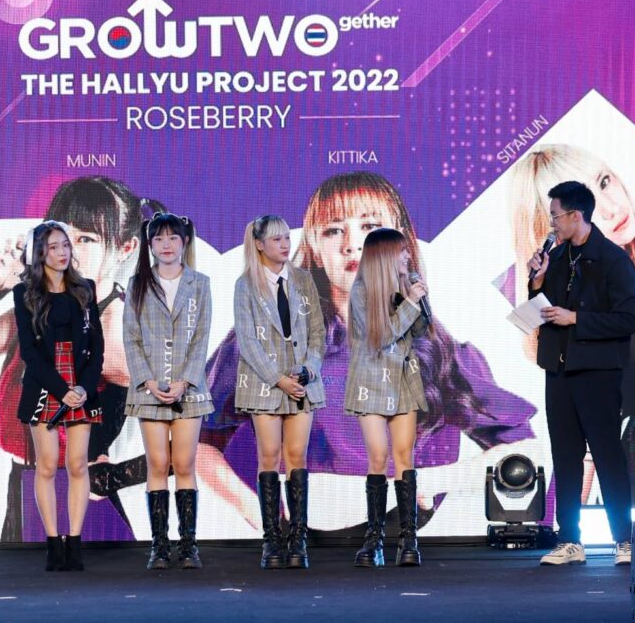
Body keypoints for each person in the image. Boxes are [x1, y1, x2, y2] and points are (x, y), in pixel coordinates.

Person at [205, 172, 535, 538]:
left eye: (370, 227)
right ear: (314, 247)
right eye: (334, 230)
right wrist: (259, 513)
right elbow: (198, 439)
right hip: (296, 539)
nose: (352, 245)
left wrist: (430, 482)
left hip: (401, 540)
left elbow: (523, 447)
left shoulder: (432, 345)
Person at [0, 177, 159, 540]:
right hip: (24, 490)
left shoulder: (115, 329)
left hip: (74, 501)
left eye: (86, 239)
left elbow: (186, 443)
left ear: (125, 249)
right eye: (61, 235)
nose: (67, 251)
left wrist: (112, 477)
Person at [510, 145, 635, 522]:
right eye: (578, 209)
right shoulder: (578, 291)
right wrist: (562, 526)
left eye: (604, 182)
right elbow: (585, 435)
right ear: (551, 226)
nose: (609, 207)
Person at [524, 180, 635, 566]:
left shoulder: (612, 259)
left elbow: (627, 319)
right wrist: (537, 282)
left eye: (556, 216)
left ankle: (624, 540)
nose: (552, 223)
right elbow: (538, 312)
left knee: (607, 455)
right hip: (558, 371)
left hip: (597, 372)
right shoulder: (556, 258)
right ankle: (569, 540)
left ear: (576, 215)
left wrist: (576, 318)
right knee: (565, 456)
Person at [232, 215, 326, 569]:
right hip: (264, 383)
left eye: (287, 238)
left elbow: (317, 332)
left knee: (297, 455)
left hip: (303, 381)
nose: (285, 244)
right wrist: (277, 378)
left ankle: (298, 539)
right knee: (269, 456)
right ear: (259, 244)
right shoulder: (246, 285)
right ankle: (272, 539)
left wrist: (309, 368)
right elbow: (247, 340)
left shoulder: (303, 279)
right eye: (276, 239)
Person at [12, 221, 104, 570]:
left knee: (78, 464)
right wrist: (61, 390)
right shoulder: (24, 294)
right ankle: (53, 543)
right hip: (46, 384)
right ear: (39, 253)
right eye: (54, 247)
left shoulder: (85, 289)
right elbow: (29, 352)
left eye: (66, 245)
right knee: (48, 465)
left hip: (81, 384)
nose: (62, 252)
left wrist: (83, 387)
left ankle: (75, 543)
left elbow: (97, 346)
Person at [123, 212, 213, 570]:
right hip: (150, 389)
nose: (166, 245)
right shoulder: (137, 284)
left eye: (173, 238)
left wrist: (185, 381)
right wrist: (147, 381)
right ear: (150, 245)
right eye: (159, 238)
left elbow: (202, 337)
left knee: (185, 464)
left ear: (184, 242)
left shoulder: (200, 283)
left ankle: (189, 546)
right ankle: (159, 547)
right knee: (158, 464)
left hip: (188, 389)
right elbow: (131, 338)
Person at [345, 228, 430, 567]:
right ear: (384, 256)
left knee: (404, 455)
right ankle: (375, 538)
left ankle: (408, 538)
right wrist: (409, 303)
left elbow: (420, 330)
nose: (408, 256)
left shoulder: (405, 287)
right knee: (378, 456)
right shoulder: (361, 292)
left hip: (404, 378)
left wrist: (416, 296)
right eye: (401, 251)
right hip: (370, 380)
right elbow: (381, 337)